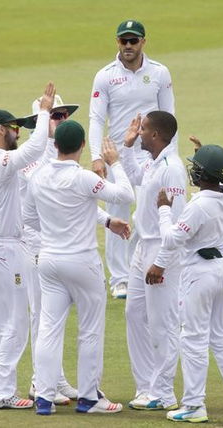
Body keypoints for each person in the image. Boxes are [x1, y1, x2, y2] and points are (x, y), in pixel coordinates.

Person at [23, 120, 133, 415]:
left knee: (48, 328)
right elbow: (126, 196)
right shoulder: (85, 179)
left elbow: (31, 219)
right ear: (82, 146)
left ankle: (44, 398)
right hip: (83, 263)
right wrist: (116, 163)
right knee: (90, 330)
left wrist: (104, 221)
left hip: (49, 262)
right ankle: (88, 398)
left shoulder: (39, 176)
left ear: (55, 145)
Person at [0, 82, 55, 409]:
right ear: (1, 130)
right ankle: (1, 392)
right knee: (15, 321)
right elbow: (35, 149)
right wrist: (43, 114)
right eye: (15, 127)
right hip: (4, 250)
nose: (19, 132)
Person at [157, 144, 223, 422]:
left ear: (202, 174)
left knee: (192, 339)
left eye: (197, 167)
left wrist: (164, 210)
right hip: (222, 271)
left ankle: (193, 405)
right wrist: (210, 160)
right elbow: (211, 187)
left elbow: (170, 239)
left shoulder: (199, 206)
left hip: (198, 274)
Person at [88, 19, 176, 299]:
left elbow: (170, 115)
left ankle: (146, 265)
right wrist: (95, 156)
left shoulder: (160, 73)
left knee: (150, 213)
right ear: (117, 42)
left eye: (133, 41)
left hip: (151, 154)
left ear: (143, 42)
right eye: (123, 41)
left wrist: (169, 154)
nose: (128, 46)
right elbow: (96, 117)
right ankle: (119, 278)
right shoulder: (105, 75)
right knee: (118, 215)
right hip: (117, 156)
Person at [119, 111, 186, 411]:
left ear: (157, 135)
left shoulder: (172, 168)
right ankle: (146, 385)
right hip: (142, 246)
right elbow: (136, 177)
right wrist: (127, 146)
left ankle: (164, 392)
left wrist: (161, 261)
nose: (140, 132)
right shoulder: (153, 162)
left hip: (162, 250)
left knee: (162, 322)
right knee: (134, 314)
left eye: (144, 129)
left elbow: (177, 220)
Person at [20, 95, 80, 405]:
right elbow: (34, 193)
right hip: (35, 245)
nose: (62, 119)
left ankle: (55, 378)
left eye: (64, 114)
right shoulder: (32, 156)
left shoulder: (57, 154)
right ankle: (38, 382)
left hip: (57, 245)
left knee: (55, 315)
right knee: (42, 315)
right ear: (39, 122)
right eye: (55, 116)